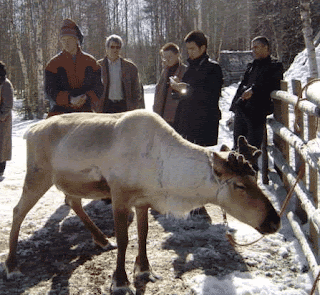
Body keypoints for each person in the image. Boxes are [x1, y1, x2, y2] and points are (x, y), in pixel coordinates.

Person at [170, 30, 223, 221]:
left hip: (204, 122)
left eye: (192, 49)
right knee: (189, 161)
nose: (189, 53)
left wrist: (185, 88)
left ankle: (199, 203)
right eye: (188, 49)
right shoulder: (190, 68)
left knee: (201, 162)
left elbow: (208, 95)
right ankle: (193, 200)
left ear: (203, 48)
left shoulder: (213, 68)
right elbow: (187, 94)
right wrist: (177, 89)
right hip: (187, 120)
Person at [229, 36, 283, 149]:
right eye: (252, 48)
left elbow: (271, 83)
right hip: (242, 109)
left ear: (265, 47)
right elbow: (242, 85)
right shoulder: (252, 66)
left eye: (256, 47)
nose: (253, 51)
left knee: (252, 148)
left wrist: (254, 90)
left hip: (257, 112)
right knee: (238, 146)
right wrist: (234, 106)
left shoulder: (275, 65)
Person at [45, 19, 103, 117]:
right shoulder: (53, 64)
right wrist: (70, 99)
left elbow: (99, 87)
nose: (66, 43)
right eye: (63, 40)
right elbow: (50, 91)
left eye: (69, 39)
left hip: (85, 113)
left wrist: (86, 98)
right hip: (59, 114)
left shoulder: (91, 62)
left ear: (76, 40)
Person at [98, 34, 143, 114]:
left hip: (124, 107)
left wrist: (133, 106)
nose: (115, 50)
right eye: (112, 47)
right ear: (106, 48)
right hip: (105, 107)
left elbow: (137, 90)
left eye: (118, 47)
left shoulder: (130, 67)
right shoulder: (98, 66)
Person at [153, 43, 187, 126]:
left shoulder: (185, 70)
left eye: (169, 57)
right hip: (162, 115)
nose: (167, 60)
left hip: (177, 116)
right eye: (164, 57)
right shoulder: (165, 71)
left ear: (178, 55)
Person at [0, 61, 14, 178]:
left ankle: (0, 171)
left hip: (2, 122)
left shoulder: (5, 84)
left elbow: (8, 104)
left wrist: (1, 116)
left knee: (1, 147)